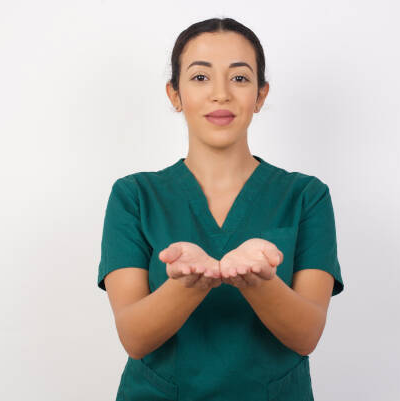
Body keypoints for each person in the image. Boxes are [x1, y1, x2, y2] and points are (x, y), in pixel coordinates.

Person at [97, 17, 344, 401]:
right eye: (199, 78)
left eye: (240, 78)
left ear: (260, 95)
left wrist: (260, 281)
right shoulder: (134, 196)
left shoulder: (306, 196)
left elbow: (306, 334)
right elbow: (134, 337)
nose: (221, 94)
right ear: (174, 94)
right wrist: (188, 283)